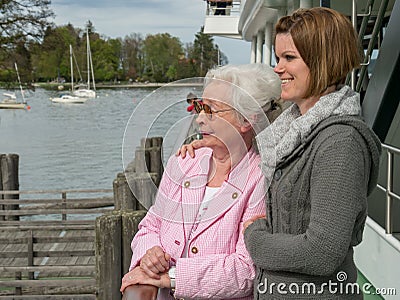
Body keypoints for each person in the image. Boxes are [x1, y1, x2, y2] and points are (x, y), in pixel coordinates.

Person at [179, 7, 382, 299]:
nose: (277, 69)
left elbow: (323, 251)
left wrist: (255, 238)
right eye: (277, 58)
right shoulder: (292, 131)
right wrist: (214, 146)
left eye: (289, 58)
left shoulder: (340, 142)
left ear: (322, 61)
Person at [120, 63, 282, 299]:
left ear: (246, 120)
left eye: (211, 110)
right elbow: (151, 225)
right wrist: (150, 253)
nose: (199, 120)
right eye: (199, 107)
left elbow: (246, 270)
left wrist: (172, 277)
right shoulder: (185, 162)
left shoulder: (261, 179)